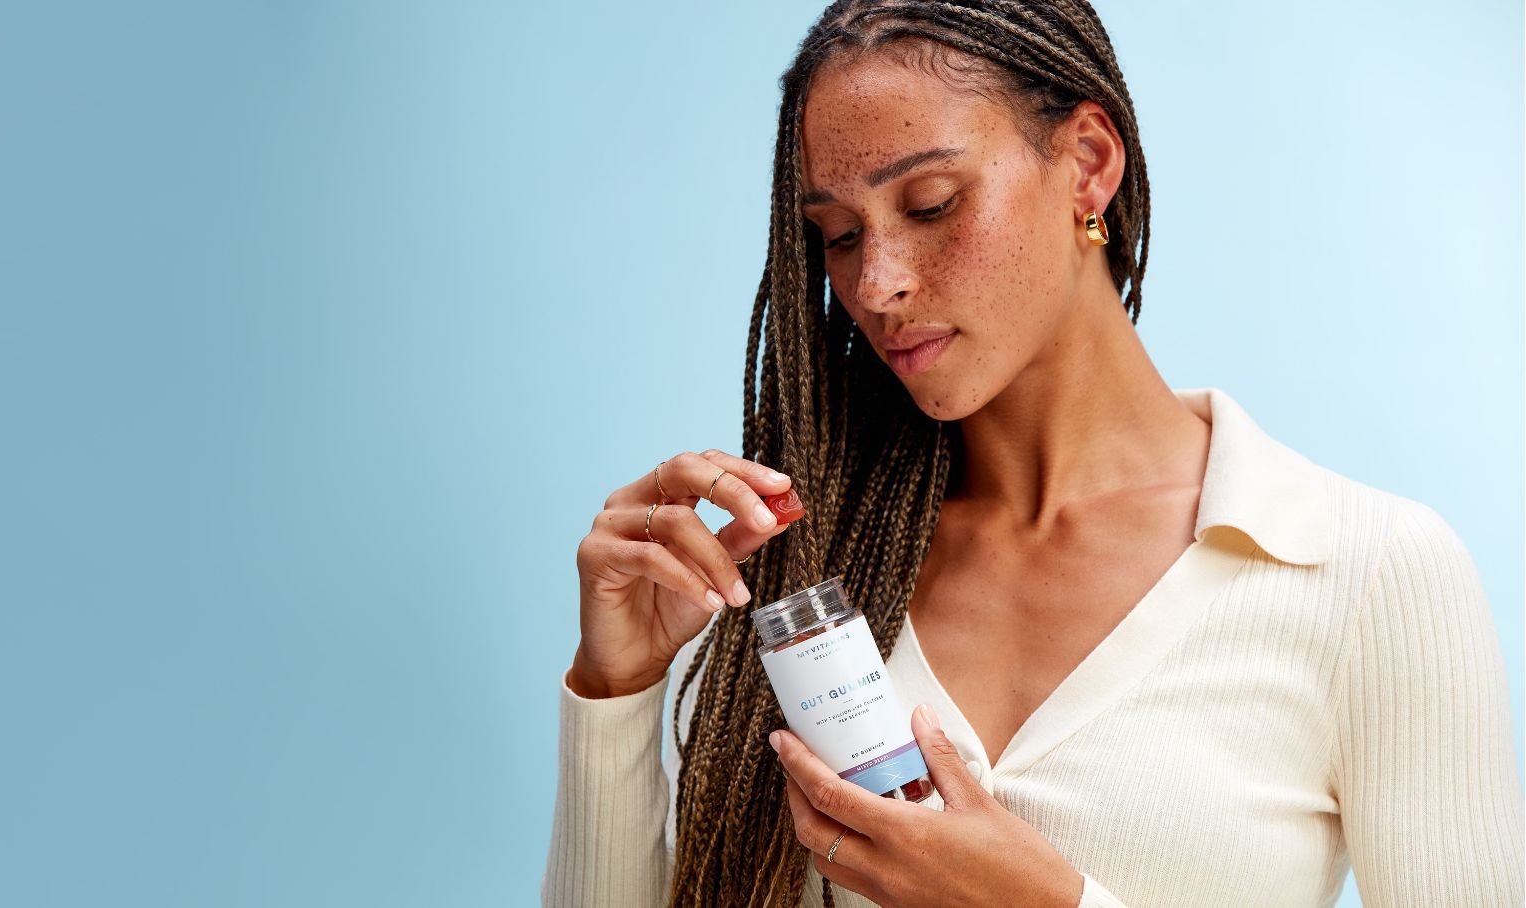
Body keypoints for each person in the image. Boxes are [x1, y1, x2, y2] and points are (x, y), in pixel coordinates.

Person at [541, 2, 1525, 906]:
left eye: (927, 204)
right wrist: (613, 693)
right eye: (837, 235)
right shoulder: (802, 585)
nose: (875, 283)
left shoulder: (1356, 571)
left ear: (1088, 162)